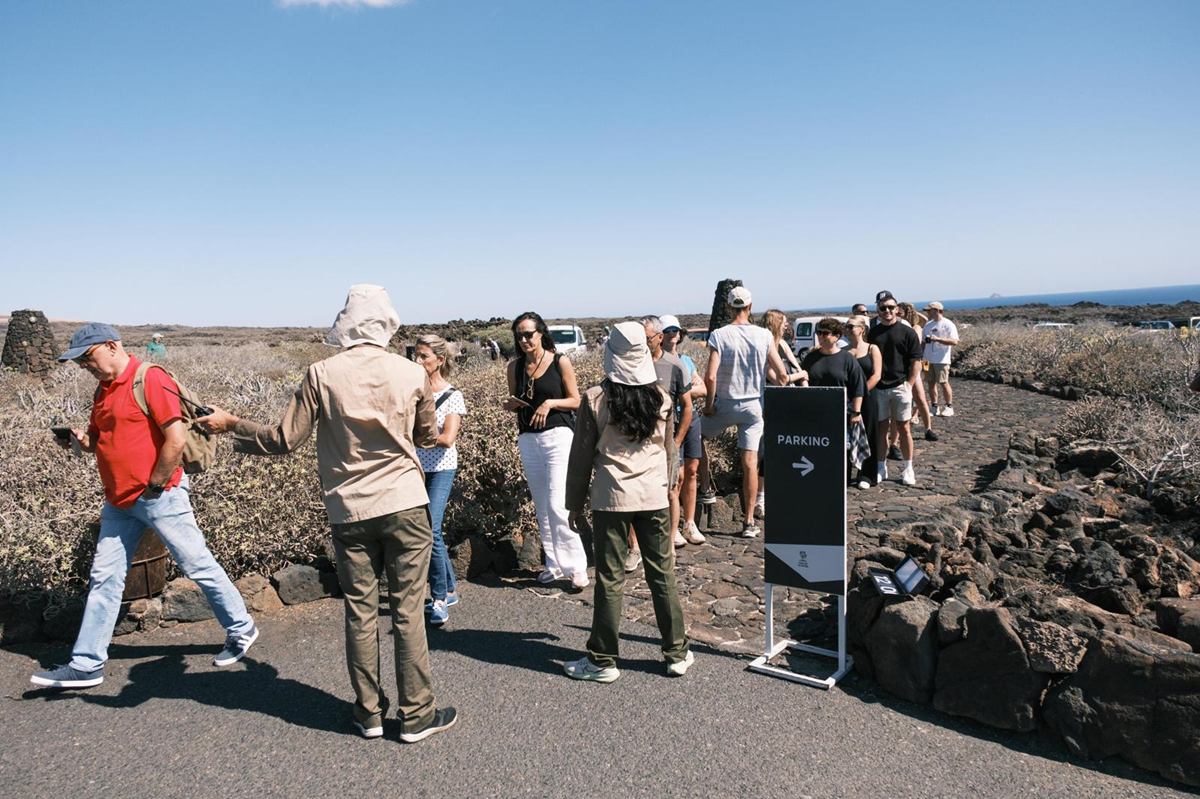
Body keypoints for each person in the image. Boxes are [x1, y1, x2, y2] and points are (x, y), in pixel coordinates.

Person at [198, 285, 456, 743]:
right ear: (387, 324)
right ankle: (416, 715)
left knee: (359, 611)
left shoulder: (321, 373)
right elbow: (427, 437)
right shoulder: (410, 372)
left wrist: (232, 423)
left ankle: (369, 714)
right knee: (407, 613)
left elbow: (283, 439)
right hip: (405, 502)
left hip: (349, 507)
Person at [31, 323, 257, 690]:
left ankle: (241, 628)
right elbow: (100, 441)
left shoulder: (148, 378)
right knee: (105, 578)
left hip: (158, 495)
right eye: (79, 362)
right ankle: (87, 664)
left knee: (196, 564)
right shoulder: (103, 390)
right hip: (119, 500)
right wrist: (78, 441)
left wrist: (155, 485)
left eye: (87, 357)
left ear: (111, 346)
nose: (84, 366)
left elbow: (175, 438)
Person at [562, 321, 692, 682]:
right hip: (653, 496)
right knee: (662, 574)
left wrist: (574, 503)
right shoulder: (662, 398)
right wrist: (668, 486)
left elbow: (582, 456)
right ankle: (676, 652)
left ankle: (603, 659)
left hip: (611, 496)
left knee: (609, 578)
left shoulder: (596, 398)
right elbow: (669, 450)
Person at [698, 286, 792, 538]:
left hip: (727, 403)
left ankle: (706, 490)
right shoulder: (763, 336)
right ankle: (749, 522)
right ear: (750, 307)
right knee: (750, 462)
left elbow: (710, 376)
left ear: (729, 308)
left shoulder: (720, 334)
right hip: (754, 406)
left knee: (694, 434)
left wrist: (709, 407)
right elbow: (782, 375)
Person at [502, 312, 588, 588]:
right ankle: (553, 563)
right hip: (528, 437)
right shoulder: (514, 367)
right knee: (541, 505)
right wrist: (511, 405)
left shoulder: (559, 361)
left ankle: (576, 567)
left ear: (541, 333)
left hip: (558, 436)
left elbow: (576, 401)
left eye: (529, 333)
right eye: (519, 335)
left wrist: (550, 403)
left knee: (556, 504)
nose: (524, 339)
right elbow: (513, 398)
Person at [623, 316, 692, 570]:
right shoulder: (630, 365)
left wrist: (676, 442)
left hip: (665, 443)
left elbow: (687, 408)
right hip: (635, 442)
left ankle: (669, 545)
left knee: (671, 492)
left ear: (659, 337)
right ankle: (635, 548)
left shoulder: (674, 366)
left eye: (647, 338)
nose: (642, 343)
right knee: (631, 495)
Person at [413, 334, 466, 626]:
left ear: (440, 360)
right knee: (431, 530)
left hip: (442, 468)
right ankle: (448, 586)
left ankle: (438, 600)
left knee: (429, 529)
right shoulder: (413, 391)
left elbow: (447, 439)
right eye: (416, 355)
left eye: (424, 357)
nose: (418, 361)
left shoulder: (453, 395)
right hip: (415, 469)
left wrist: (417, 441)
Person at [799, 318, 868, 479]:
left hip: (841, 413)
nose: (821, 336)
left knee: (841, 450)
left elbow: (858, 387)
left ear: (837, 336)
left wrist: (856, 413)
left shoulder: (847, 359)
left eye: (825, 333)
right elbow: (803, 378)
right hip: (815, 413)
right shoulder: (811, 358)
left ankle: (841, 482)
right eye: (818, 333)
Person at [868, 290, 923, 486]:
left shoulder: (907, 332)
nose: (887, 311)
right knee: (881, 428)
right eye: (883, 308)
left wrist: (908, 384)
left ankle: (908, 468)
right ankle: (881, 466)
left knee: (904, 427)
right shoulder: (872, 333)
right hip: (880, 388)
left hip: (900, 386)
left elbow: (915, 359)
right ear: (878, 310)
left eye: (891, 307)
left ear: (897, 309)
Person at [660, 315, 705, 546]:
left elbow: (704, 389)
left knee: (692, 471)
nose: (673, 334)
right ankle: (673, 526)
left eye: (676, 330)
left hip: (691, 417)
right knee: (675, 476)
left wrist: (682, 392)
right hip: (671, 419)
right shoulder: (656, 361)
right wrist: (687, 391)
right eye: (668, 330)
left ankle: (689, 523)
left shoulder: (686, 360)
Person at [758, 309, 806, 518]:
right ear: (776, 323)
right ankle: (761, 498)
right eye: (784, 322)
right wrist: (801, 375)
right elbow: (778, 379)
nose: (787, 325)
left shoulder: (783, 344)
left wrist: (802, 378)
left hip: (790, 403)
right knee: (768, 452)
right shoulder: (764, 348)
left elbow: (795, 367)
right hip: (771, 404)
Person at [844, 314, 882, 489]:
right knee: (847, 436)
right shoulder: (844, 351)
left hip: (868, 397)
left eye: (851, 326)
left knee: (870, 433)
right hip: (847, 400)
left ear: (862, 329)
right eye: (847, 326)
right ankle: (845, 474)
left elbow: (876, 374)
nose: (848, 329)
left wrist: (861, 392)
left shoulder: (872, 349)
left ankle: (867, 475)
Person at [922, 301, 960, 417]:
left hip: (941, 359)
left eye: (930, 310)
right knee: (930, 383)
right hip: (927, 360)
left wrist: (938, 339)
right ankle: (934, 406)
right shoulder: (928, 325)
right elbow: (923, 342)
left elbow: (954, 341)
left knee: (943, 382)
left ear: (937, 310)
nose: (928, 312)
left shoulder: (948, 324)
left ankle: (949, 406)